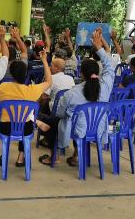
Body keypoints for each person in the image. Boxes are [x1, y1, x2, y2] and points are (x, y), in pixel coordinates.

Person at [38, 30, 114, 166]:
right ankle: (76, 156)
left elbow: (59, 113)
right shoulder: (106, 87)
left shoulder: (73, 93)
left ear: (82, 75)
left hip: (76, 129)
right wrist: (100, 48)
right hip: (99, 128)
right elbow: (109, 67)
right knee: (77, 120)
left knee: (54, 121)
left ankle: (53, 157)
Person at [0, 49, 52, 167]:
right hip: (26, 129)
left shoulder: (3, 86)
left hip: (4, 128)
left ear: (11, 73)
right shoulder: (32, 90)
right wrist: (44, 61)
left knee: (0, 117)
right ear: (26, 74)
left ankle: (4, 155)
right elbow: (49, 81)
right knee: (24, 122)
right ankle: (20, 158)